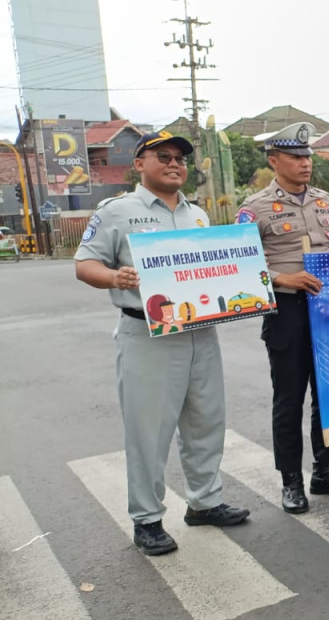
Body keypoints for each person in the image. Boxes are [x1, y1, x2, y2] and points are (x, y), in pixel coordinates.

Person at [74, 130, 249, 556]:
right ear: (140, 164)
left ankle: (204, 502)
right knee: (149, 430)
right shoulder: (117, 212)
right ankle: (147, 519)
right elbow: (84, 264)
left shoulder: (200, 216)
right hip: (147, 334)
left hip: (200, 333)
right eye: (164, 157)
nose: (175, 164)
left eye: (181, 159)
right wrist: (115, 277)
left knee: (206, 421)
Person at [238, 122, 329, 514]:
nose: (304, 163)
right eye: (295, 157)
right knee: (290, 399)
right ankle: (290, 479)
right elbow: (240, 264)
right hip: (287, 310)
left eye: (307, 156)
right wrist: (281, 278)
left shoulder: (326, 201)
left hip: (328, 311)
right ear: (274, 160)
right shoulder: (254, 207)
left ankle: (324, 470)